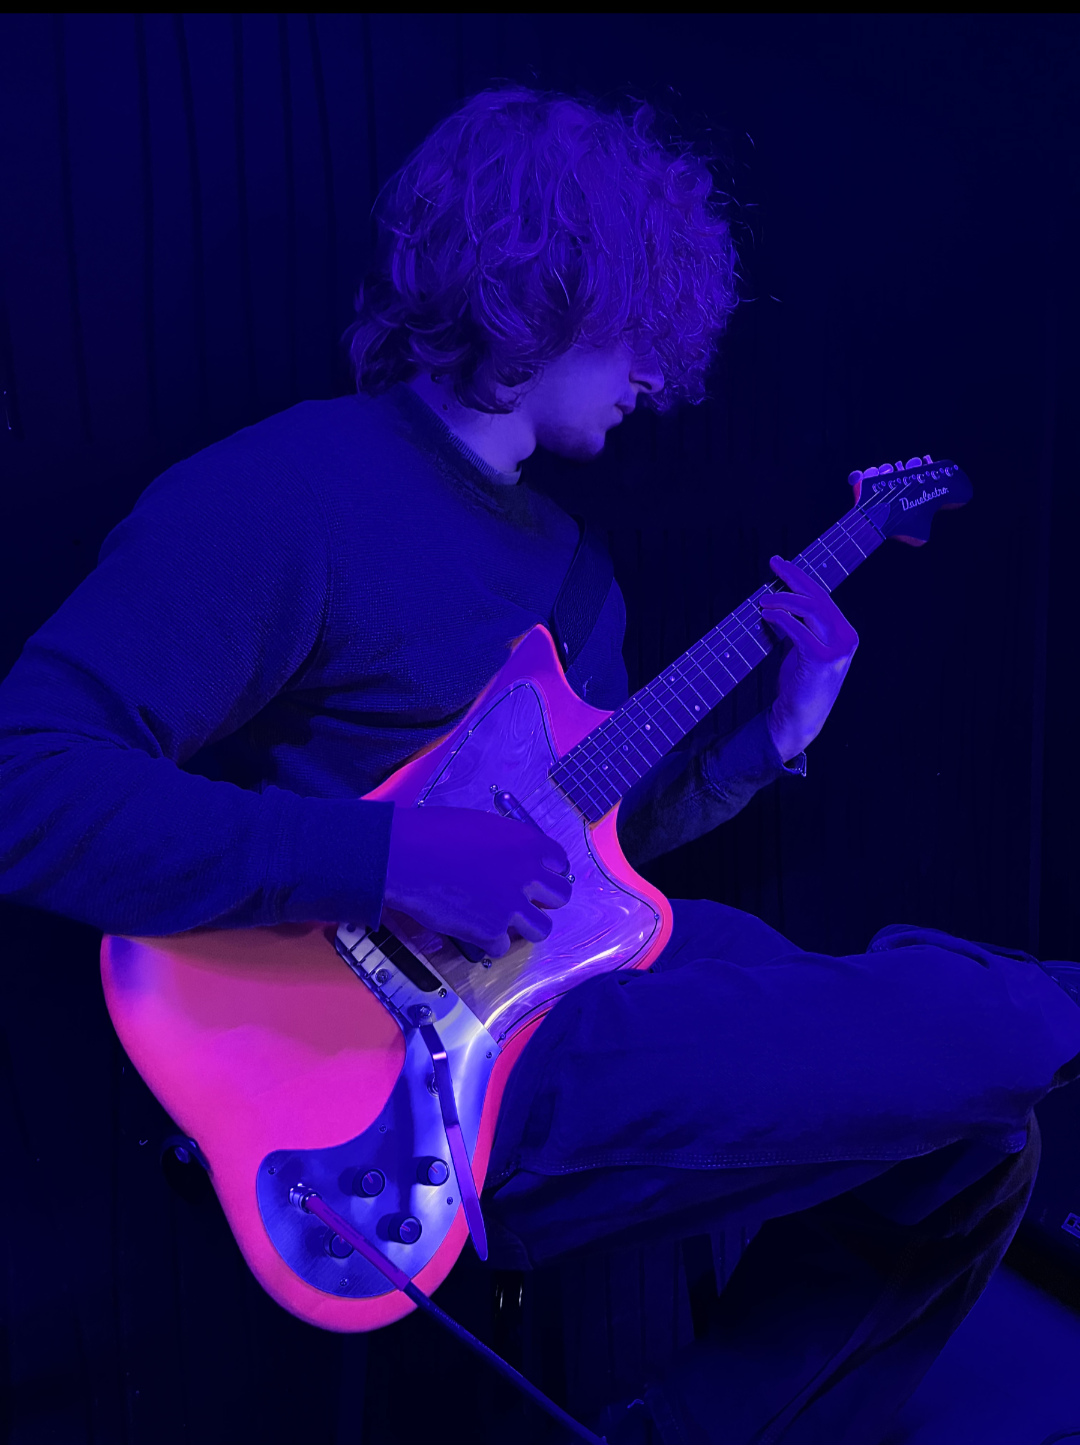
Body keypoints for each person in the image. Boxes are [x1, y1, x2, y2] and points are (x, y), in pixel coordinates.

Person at [1, 87, 1078, 1445]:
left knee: (981, 1139)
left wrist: (773, 740)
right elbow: (26, 779)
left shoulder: (576, 574)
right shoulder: (288, 491)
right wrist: (392, 859)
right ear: (538, 284)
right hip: (411, 1072)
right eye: (644, 322)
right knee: (1010, 1032)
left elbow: (585, 866)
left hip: (578, 993)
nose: (664, 375)